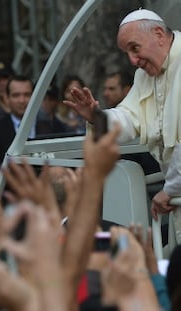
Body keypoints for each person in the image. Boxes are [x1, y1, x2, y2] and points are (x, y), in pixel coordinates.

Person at [63, 8, 181, 240]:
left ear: (159, 34)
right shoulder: (144, 76)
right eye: (127, 52)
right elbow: (128, 120)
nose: (133, 61)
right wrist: (96, 116)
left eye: (134, 48)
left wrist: (169, 190)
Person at [0, 75, 70, 161]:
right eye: (16, 95)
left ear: (35, 97)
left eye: (27, 95)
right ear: (7, 99)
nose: (22, 100)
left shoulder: (53, 125)